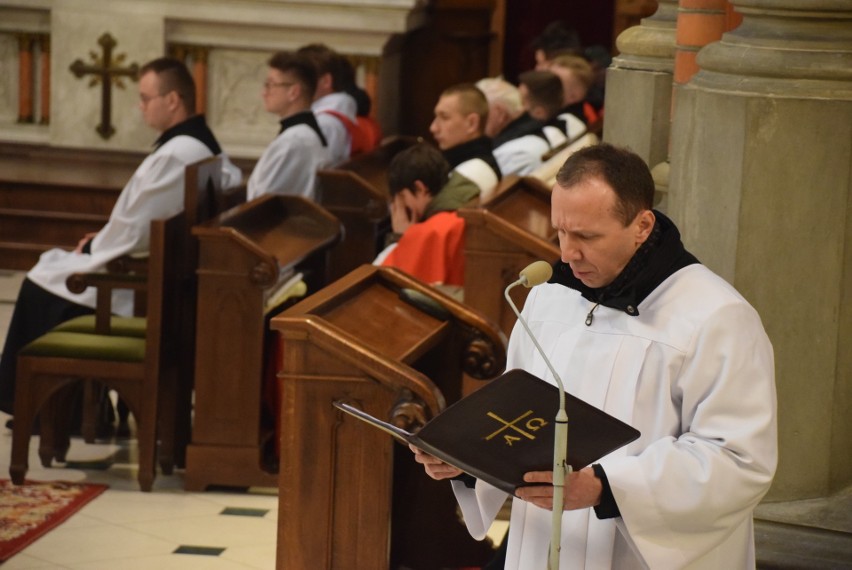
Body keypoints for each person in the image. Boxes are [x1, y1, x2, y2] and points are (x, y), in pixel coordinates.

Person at [411, 143, 777, 568]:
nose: (567, 253)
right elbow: (515, 422)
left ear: (642, 225)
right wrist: (466, 462)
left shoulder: (715, 316)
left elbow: (736, 458)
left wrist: (605, 488)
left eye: (586, 236)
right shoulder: (549, 299)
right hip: (543, 543)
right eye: (561, 232)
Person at [0, 57, 242, 416]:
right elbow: (146, 220)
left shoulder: (178, 153)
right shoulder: (198, 146)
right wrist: (103, 239)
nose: (140, 107)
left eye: (146, 98)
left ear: (172, 100)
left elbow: (140, 229)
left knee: (38, 284)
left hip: (137, 288)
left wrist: (96, 246)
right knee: (50, 271)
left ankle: (44, 411)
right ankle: (71, 407)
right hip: (154, 274)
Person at [373, 143, 465, 291]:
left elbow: (380, 280)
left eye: (402, 197)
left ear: (420, 188)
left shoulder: (432, 231)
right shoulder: (465, 202)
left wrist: (400, 238)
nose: (400, 207)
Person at [246, 51, 331, 201]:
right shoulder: (300, 134)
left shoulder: (294, 141)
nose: (264, 93)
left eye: (271, 84)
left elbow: (264, 202)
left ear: (293, 92)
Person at [430, 83, 502, 202]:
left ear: (471, 123)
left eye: (444, 117)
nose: (433, 128)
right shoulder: (480, 158)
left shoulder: (470, 174)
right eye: (436, 117)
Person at [296, 43, 358, 165]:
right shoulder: (335, 113)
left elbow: (312, 174)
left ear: (326, 81)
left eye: (302, 78)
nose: (295, 86)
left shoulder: (324, 124)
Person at [475, 76, 550, 176]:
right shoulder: (536, 128)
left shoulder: (510, 154)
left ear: (499, 113)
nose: (476, 122)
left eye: (479, 112)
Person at [518, 69, 585, 149]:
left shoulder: (526, 142)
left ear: (539, 112)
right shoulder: (571, 121)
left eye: (522, 102)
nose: (518, 107)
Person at [547, 54, 600, 126]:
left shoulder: (577, 123)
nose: (545, 86)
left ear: (575, 95)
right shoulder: (544, 110)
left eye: (555, 84)